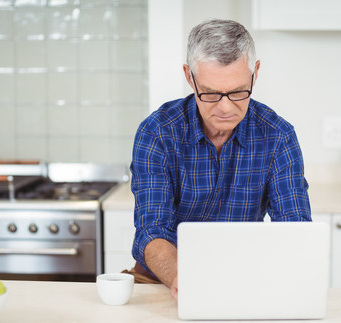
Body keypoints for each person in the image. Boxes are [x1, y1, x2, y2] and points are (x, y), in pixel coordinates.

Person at [128, 19, 311, 300]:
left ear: (255, 73)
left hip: (243, 278)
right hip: (163, 280)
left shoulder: (278, 136)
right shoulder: (158, 132)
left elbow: (294, 228)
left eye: (238, 91)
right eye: (211, 93)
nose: (225, 108)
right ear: (190, 77)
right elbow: (152, 229)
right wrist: (180, 278)